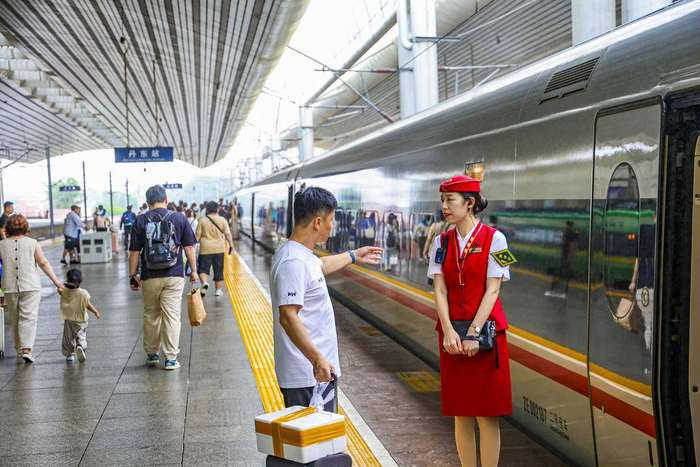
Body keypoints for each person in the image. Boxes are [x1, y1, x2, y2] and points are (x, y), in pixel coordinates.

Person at [427, 175, 514, 467]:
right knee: (461, 414)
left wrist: (474, 333)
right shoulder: (440, 242)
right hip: (452, 338)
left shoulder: (496, 239)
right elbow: (439, 289)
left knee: (487, 415)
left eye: (450, 200)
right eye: (443, 200)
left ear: (470, 203)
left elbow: (493, 290)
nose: (444, 206)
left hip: (487, 337)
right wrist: (448, 331)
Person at [270, 187, 382, 411]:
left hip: (315, 373)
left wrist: (353, 255)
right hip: (307, 375)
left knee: (322, 434)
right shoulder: (294, 262)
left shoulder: (300, 254)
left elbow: (321, 266)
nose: (333, 226)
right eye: (331, 220)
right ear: (318, 222)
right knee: (314, 434)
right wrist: (317, 359)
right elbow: (288, 317)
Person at [129, 185, 198, 371]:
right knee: (172, 316)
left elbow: (134, 252)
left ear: (147, 203)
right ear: (166, 200)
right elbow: (189, 247)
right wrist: (193, 270)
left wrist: (132, 275)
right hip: (174, 275)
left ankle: (152, 354)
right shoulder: (179, 218)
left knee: (151, 314)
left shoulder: (140, 220)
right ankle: (171, 358)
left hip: (149, 276)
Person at [0, 215, 64, 363]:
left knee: (15, 319)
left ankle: (19, 349)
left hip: (9, 287)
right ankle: (26, 349)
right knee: (28, 318)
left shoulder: (2, 245)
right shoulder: (32, 243)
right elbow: (43, 263)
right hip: (30, 285)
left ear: (8, 227)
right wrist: (56, 281)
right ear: (25, 227)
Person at [60, 268, 100, 363]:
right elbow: (88, 304)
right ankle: (80, 346)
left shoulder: (65, 291)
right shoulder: (83, 293)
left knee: (68, 338)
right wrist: (95, 311)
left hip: (68, 319)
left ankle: (69, 355)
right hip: (81, 320)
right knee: (81, 335)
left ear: (68, 280)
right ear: (81, 280)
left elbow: (59, 291)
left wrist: (59, 286)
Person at [196, 201, 234, 297]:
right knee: (218, 269)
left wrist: (192, 246)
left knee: (203, 269)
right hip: (219, 248)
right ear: (217, 209)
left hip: (205, 248)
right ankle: (218, 290)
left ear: (207, 210)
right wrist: (231, 245)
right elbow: (228, 234)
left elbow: (197, 236)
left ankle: (204, 283)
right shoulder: (222, 220)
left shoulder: (202, 220)